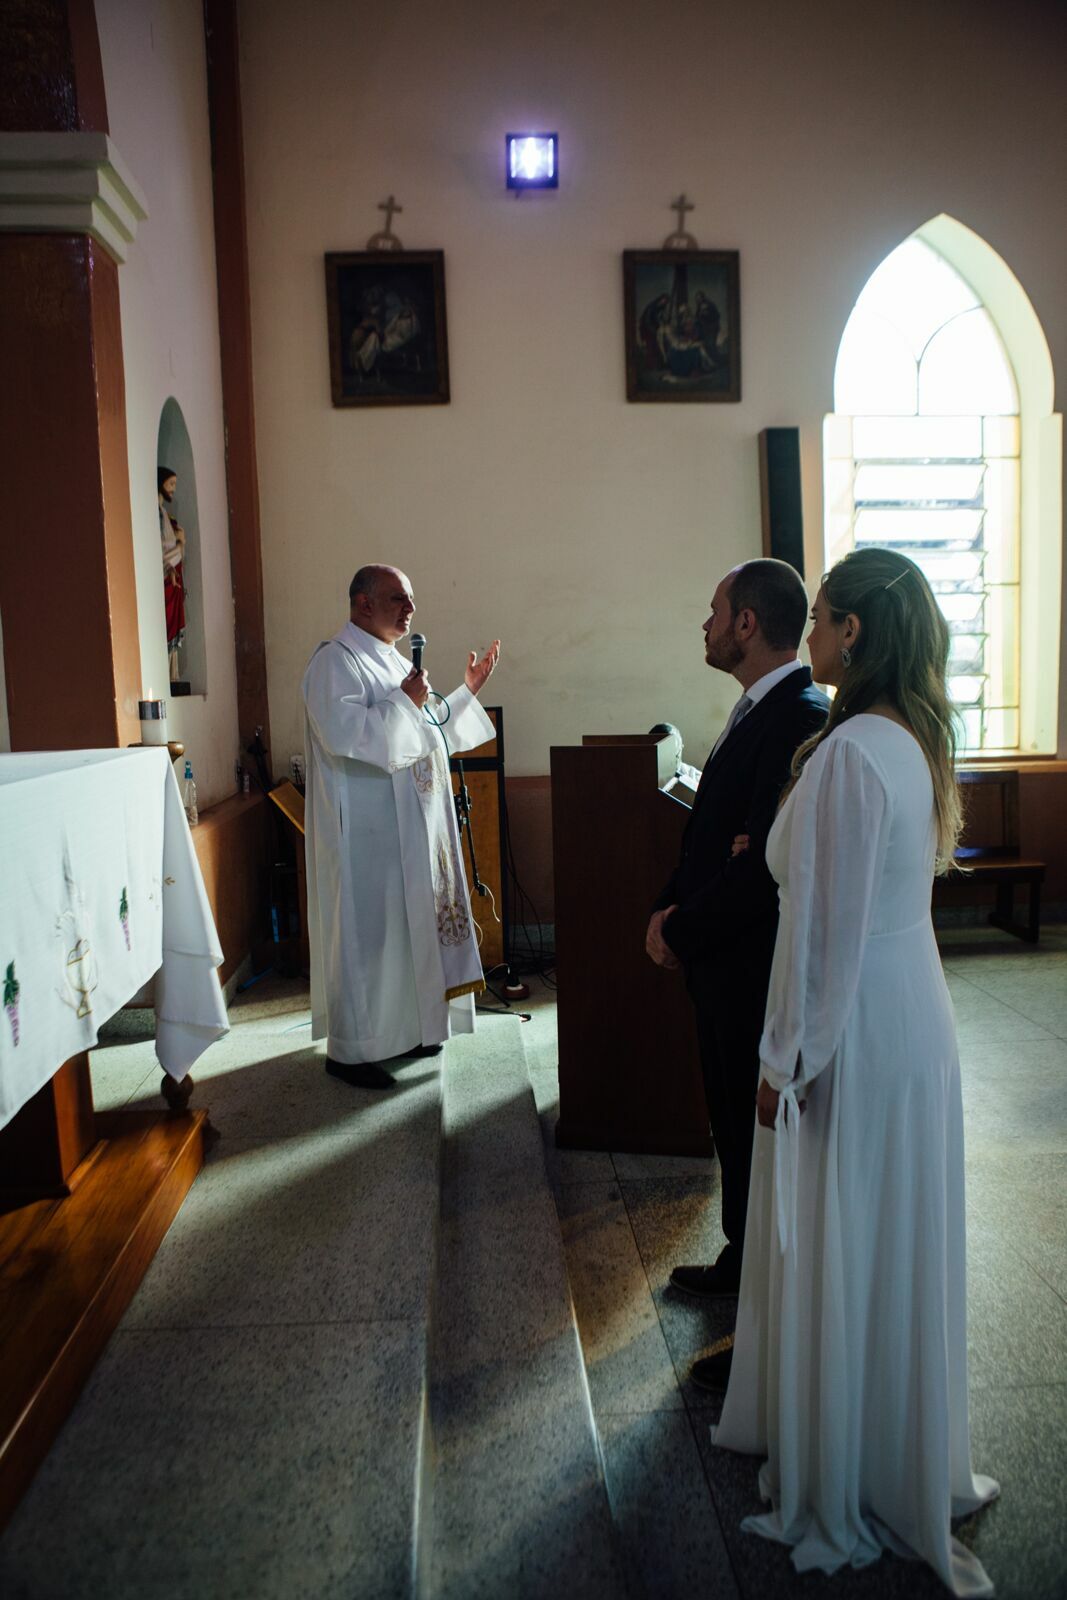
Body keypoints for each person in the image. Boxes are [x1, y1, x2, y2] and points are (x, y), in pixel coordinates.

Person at [711, 548, 998, 1596]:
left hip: (854, 1022)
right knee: (884, 1230)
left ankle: (847, 1467)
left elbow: (823, 937)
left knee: (846, 1225)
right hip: (907, 1011)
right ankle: (887, 1441)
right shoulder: (907, 740)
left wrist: (784, 1060)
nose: (810, 633)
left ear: (852, 633)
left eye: (820, 616)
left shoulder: (844, 755)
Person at [646, 559, 828, 1301]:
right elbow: (714, 836)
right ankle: (742, 1261)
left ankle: (762, 1290)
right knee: (729, 1122)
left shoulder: (798, 714)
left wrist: (680, 929)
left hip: (752, 967)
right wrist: (667, 906)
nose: (706, 624)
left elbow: (758, 869)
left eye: (715, 611)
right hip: (719, 961)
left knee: (752, 1134)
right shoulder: (759, 705)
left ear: (745, 624)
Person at [302, 564, 500, 1089]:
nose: (410, 609)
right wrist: (402, 703)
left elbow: (427, 732)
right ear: (363, 603)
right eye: (398, 599)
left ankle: (411, 1031)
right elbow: (347, 736)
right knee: (369, 941)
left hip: (411, 835)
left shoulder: (389, 659)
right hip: (366, 838)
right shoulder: (335, 661)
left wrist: (466, 693)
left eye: (410, 599)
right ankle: (352, 1051)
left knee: (407, 939)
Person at [158, 467, 186, 683]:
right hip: (164, 578)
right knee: (164, 624)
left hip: (172, 578)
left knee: (172, 624)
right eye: (171, 484)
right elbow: (161, 549)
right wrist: (179, 543)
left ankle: (172, 675)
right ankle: (166, 674)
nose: (173, 489)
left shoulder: (165, 515)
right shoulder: (157, 515)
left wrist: (181, 543)